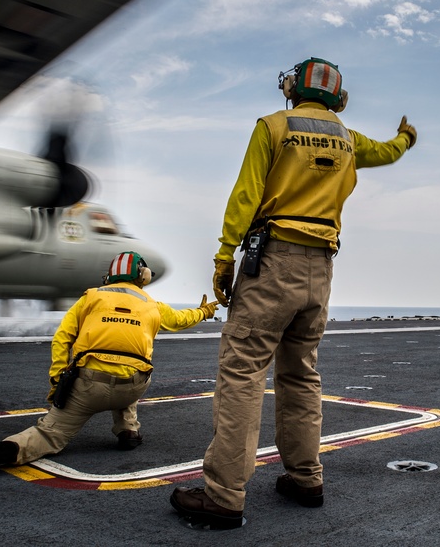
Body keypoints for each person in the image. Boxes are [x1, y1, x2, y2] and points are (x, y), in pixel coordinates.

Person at [170, 57, 416, 528]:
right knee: (301, 373)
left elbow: (246, 194)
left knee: (242, 371)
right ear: (338, 98)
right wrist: (405, 138)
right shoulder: (347, 138)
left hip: (273, 262)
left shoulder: (274, 126)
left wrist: (224, 256)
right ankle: (306, 478)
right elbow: (387, 152)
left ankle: (223, 496)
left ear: (292, 88)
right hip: (321, 268)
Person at [0, 251, 218, 475]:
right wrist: (205, 311)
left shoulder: (90, 298)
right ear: (142, 276)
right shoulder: (153, 305)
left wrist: (57, 378)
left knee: (49, 435)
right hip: (133, 387)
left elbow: (61, 339)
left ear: (110, 276)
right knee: (135, 369)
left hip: (89, 388)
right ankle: (128, 432)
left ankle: (11, 450)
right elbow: (183, 319)